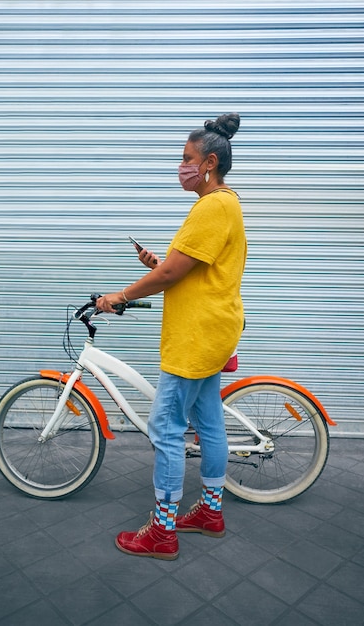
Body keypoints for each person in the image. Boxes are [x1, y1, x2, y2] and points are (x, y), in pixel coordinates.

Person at [97, 112, 247, 560]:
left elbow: (173, 272)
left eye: (187, 159)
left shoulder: (213, 206)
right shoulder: (226, 205)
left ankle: (162, 531)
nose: (180, 166)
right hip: (213, 330)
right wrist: (157, 266)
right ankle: (210, 513)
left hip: (196, 336)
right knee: (209, 422)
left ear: (210, 162)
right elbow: (187, 270)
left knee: (165, 428)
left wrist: (119, 296)